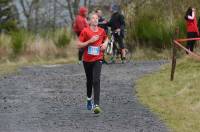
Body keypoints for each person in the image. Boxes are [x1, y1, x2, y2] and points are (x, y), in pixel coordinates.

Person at [77, 13, 108, 114]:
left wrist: (105, 44)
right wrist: (90, 41)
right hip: (87, 60)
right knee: (89, 81)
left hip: (98, 59)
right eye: (93, 18)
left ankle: (97, 105)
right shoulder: (85, 31)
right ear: (89, 21)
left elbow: (106, 38)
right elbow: (78, 45)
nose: (95, 20)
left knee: (96, 80)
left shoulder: (101, 31)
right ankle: (89, 99)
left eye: (97, 18)